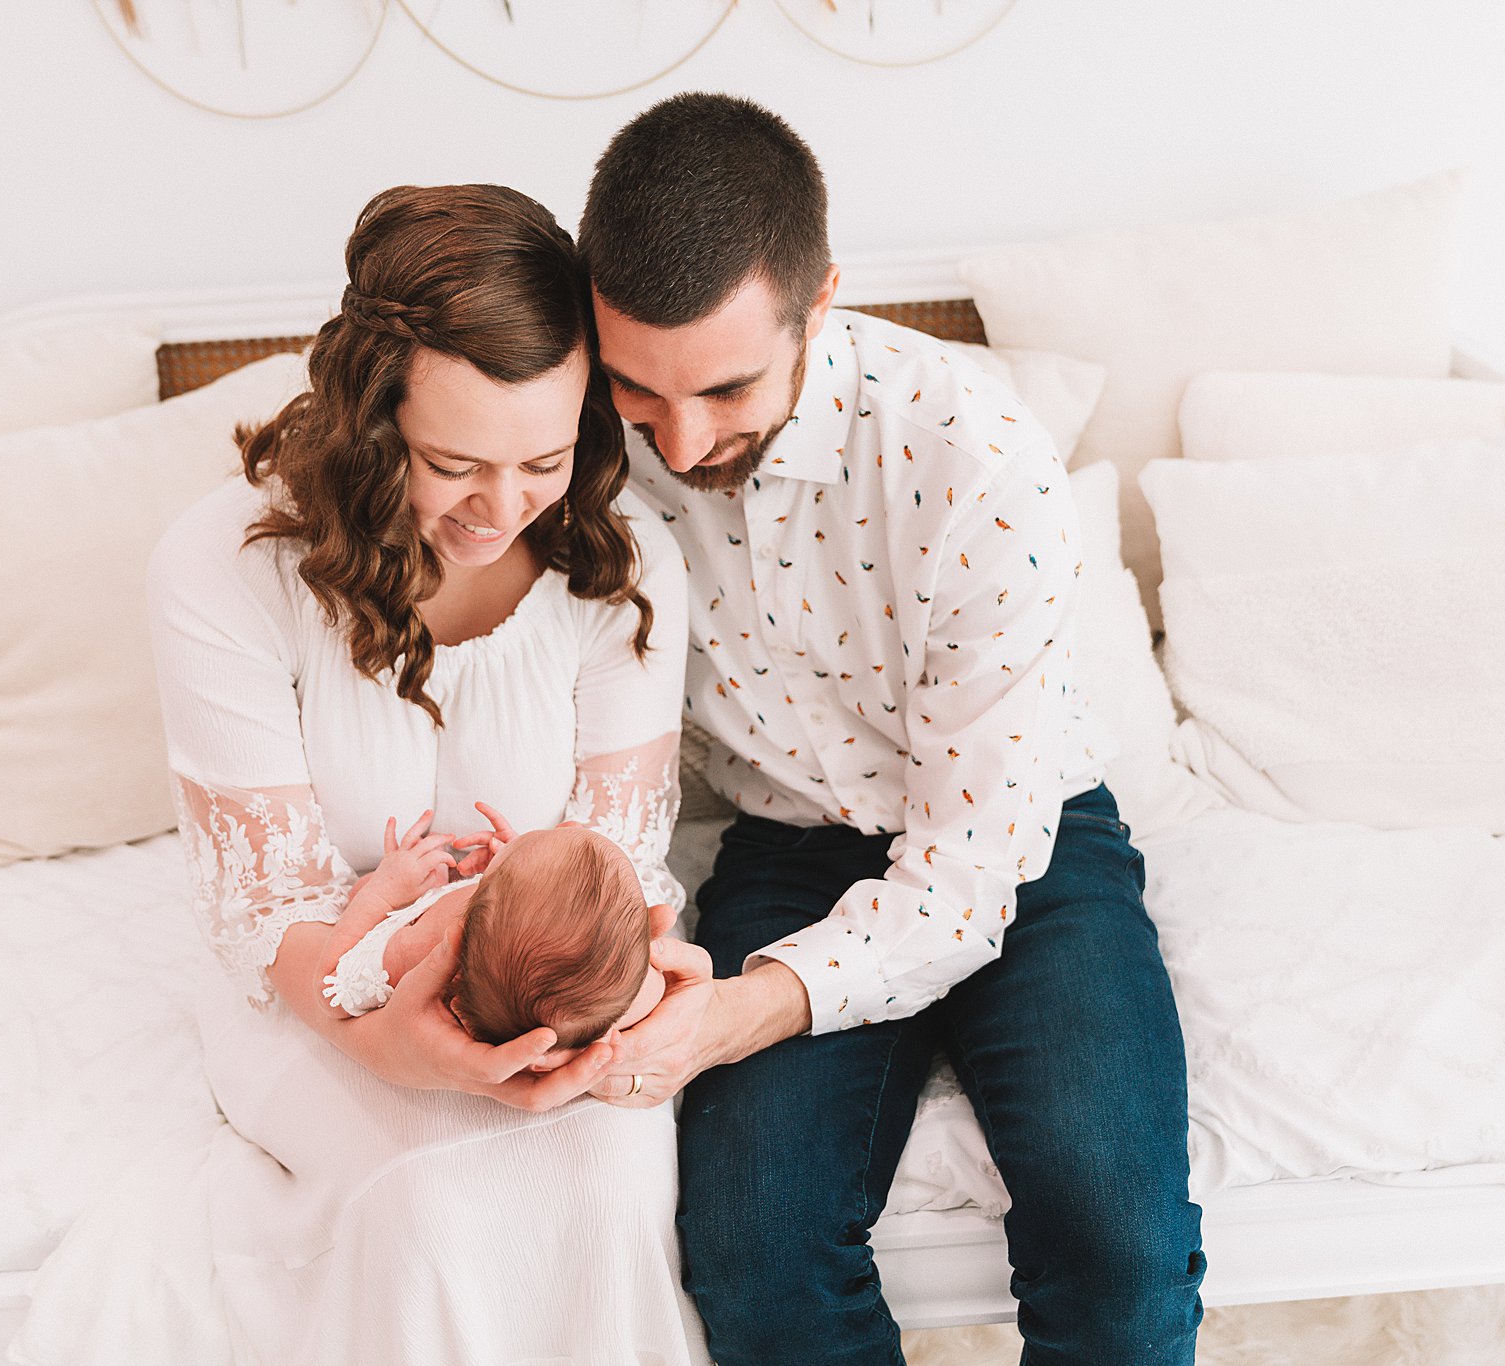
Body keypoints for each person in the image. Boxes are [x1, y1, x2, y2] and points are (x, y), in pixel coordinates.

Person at [575, 94, 1208, 1363]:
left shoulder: (978, 458)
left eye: (725, 385)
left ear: (820, 306)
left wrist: (745, 1010)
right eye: (638, 386)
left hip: (1025, 846)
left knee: (1120, 1249)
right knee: (751, 1254)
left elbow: (969, 879)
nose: (681, 439)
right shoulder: (585, 435)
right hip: (789, 843)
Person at [146, 182, 706, 1364]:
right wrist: (382, 1039)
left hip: (548, 991)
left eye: (543, 460)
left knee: (603, 1198)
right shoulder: (223, 568)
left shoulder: (624, 568)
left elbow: (613, 867)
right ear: (367, 418)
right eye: (452, 463)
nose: (500, 510)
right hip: (313, 982)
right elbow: (269, 908)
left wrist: (594, 1012)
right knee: (431, 1206)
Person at [316, 810, 669, 1046]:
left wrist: (382, 890)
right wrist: (512, 876)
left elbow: (333, 990)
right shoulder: (587, 997)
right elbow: (541, 932)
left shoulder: (434, 936)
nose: (571, 825)